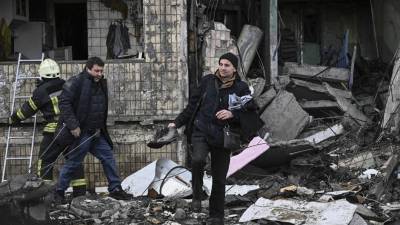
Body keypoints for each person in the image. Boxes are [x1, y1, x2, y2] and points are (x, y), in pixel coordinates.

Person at [168, 53, 261, 225]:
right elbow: (192, 106)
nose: (223, 68)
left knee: (219, 178)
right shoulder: (207, 82)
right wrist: (176, 122)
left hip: (222, 136)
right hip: (201, 130)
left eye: (227, 65)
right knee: (197, 160)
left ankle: (216, 216)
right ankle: (197, 193)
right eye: (221, 64)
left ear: (234, 68)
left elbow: (252, 111)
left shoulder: (241, 88)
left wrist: (233, 113)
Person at [55, 56, 132, 201]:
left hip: (96, 132)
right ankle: (59, 192)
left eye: (101, 71)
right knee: (73, 163)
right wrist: (73, 125)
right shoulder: (76, 82)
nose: (99, 74)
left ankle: (115, 189)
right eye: (96, 71)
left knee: (108, 158)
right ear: (88, 68)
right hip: (82, 133)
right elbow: (64, 103)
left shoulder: (101, 83)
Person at [9, 58, 86, 197]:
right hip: (71, 130)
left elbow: (27, 110)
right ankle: (80, 195)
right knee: (74, 161)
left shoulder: (40, 91)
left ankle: (46, 196)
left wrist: (13, 118)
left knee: (45, 163)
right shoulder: (67, 84)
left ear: (42, 74)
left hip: (53, 133)